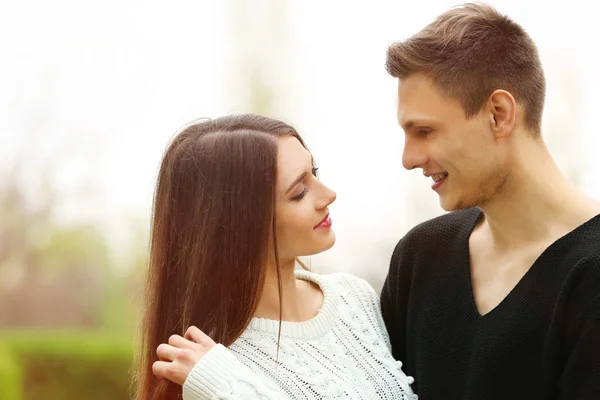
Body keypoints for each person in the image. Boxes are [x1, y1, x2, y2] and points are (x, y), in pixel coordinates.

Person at [380, 3, 600, 400]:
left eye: (425, 131)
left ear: (498, 114)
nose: (408, 158)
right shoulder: (419, 258)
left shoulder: (592, 272)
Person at [134, 114, 417, 399]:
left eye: (314, 173)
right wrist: (228, 388)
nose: (328, 195)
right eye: (299, 192)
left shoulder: (354, 298)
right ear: (238, 223)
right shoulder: (206, 370)